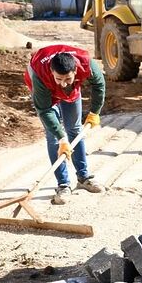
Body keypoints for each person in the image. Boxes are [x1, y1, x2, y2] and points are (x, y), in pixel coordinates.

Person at [24, 44, 106, 204]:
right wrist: (62, 139)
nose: (63, 83)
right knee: (54, 136)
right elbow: (45, 110)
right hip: (45, 90)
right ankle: (63, 185)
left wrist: (95, 112)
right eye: (59, 79)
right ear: (52, 72)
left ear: (76, 71)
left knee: (75, 129)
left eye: (68, 78)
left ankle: (83, 178)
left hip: (71, 92)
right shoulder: (40, 75)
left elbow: (99, 85)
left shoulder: (86, 63)